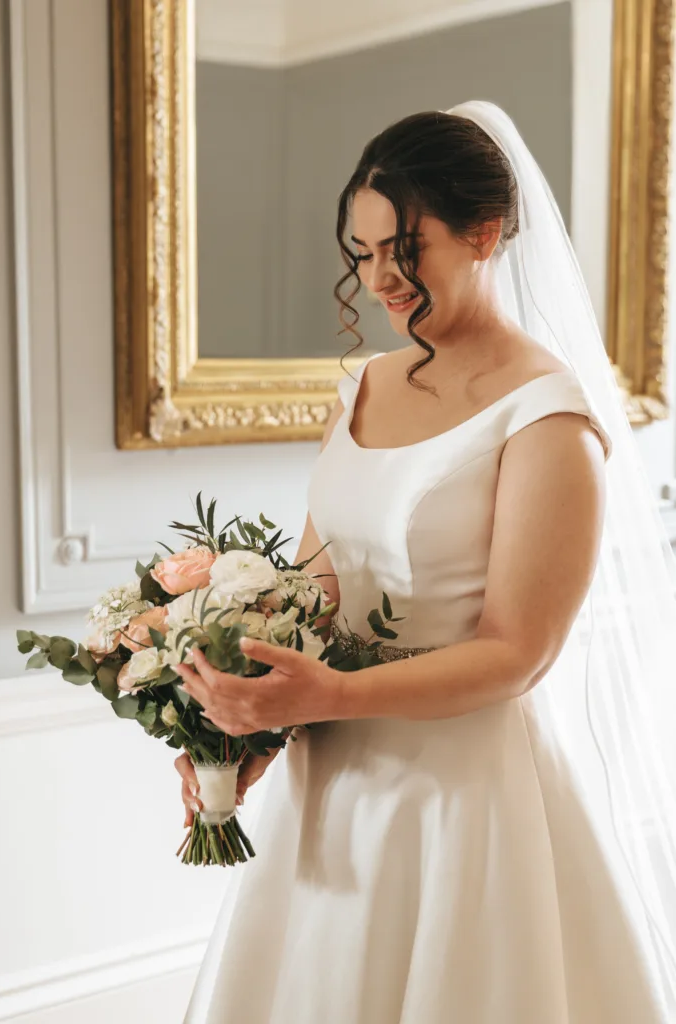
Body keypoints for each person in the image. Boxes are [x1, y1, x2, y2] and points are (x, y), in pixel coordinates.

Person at [177, 103, 676, 1022]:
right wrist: (242, 732)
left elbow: (516, 651)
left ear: (484, 232)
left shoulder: (546, 417)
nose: (380, 279)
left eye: (406, 248)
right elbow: (313, 592)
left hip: (457, 796)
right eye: (362, 253)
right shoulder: (361, 385)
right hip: (330, 783)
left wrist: (325, 696)